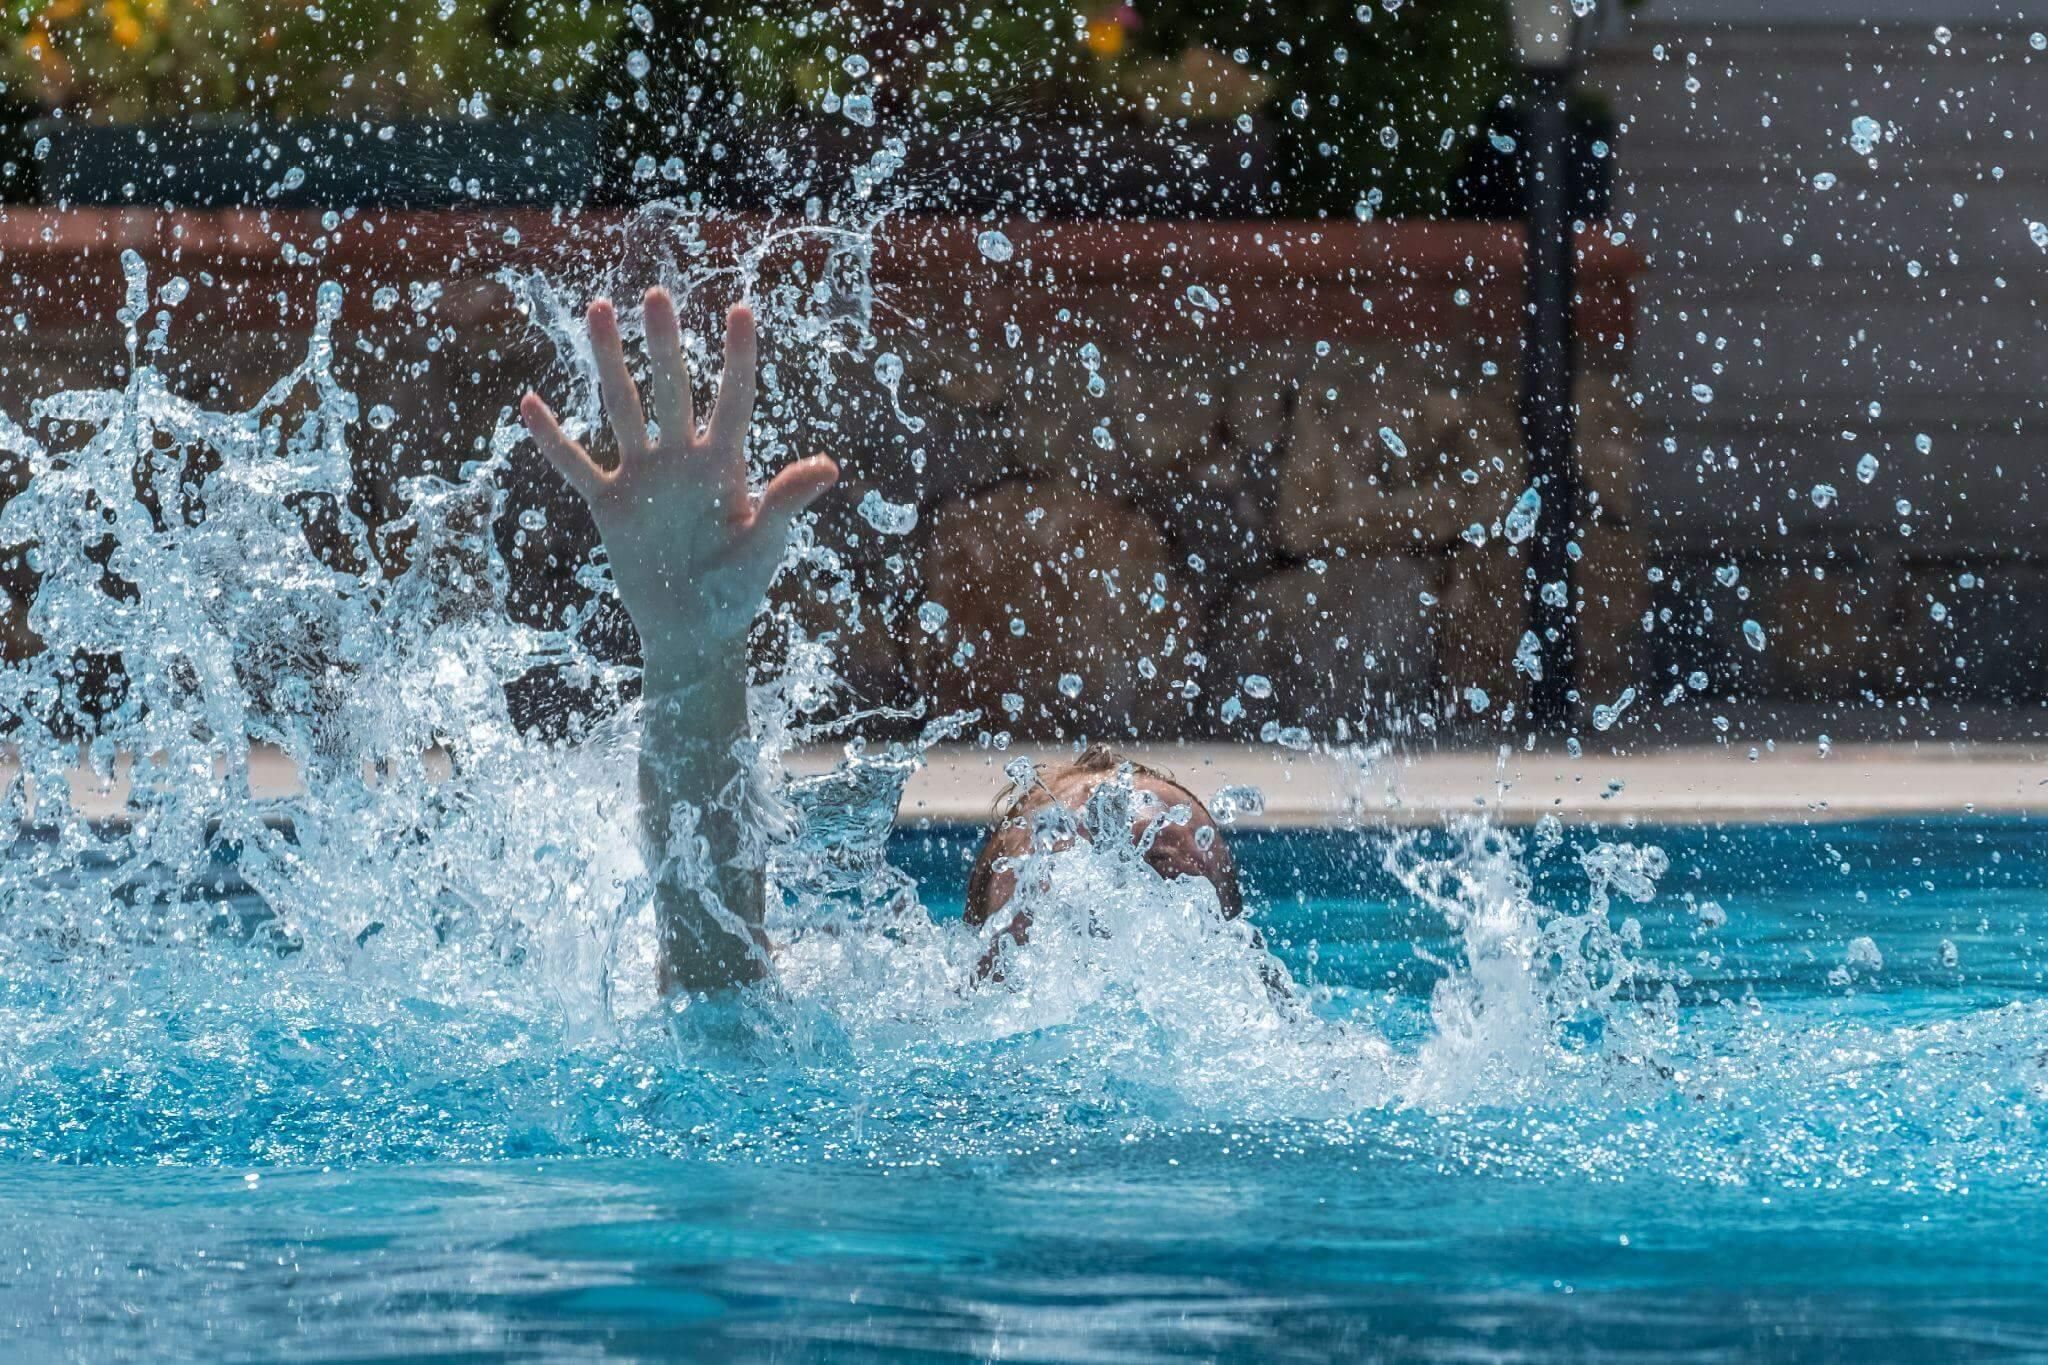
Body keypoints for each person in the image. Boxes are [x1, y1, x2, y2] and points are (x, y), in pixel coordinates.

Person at [521, 290, 1242, 995]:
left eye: (1161, 865)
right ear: (980, 958)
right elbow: (722, 999)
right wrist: (692, 658)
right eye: (1070, 839)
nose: (1111, 855)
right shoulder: (923, 1035)